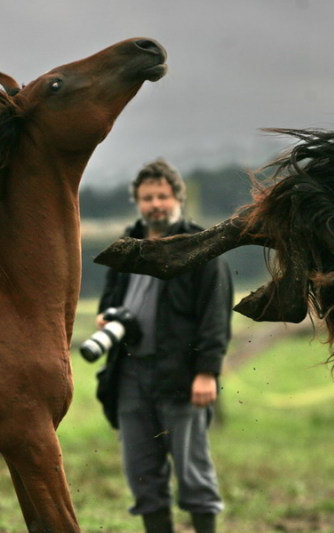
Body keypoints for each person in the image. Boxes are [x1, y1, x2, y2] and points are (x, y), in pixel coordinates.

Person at [94, 158, 233, 533]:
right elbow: (109, 300)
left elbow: (215, 315)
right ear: (137, 202)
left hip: (181, 373)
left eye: (161, 196)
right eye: (146, 197)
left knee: (193, 473)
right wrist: (107, 318)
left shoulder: (199, 247)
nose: (155, 204)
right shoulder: (126, 249)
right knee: (142, 476)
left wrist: (207, 371)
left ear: (178, 198)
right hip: (130, 374)